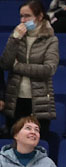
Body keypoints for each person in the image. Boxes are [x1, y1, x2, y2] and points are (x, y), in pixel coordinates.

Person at [0, 1, 59, 140]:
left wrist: (18, 67)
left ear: (39, 16)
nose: (23, 20)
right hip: (15, 98)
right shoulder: (17, 36)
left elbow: (48, 69)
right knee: (14, 141)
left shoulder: (50, 40)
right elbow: (5, 64)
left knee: (37, 140)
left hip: (38, 100)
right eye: (21, 16)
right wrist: (14, 39)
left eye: (27, 16)